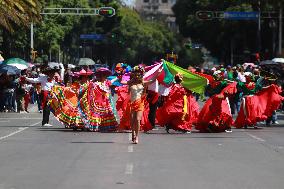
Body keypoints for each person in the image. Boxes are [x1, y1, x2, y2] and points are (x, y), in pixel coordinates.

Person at [121, 66, 162, 144]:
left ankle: (136, 136)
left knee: (138, 119)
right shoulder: (131, 82)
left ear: (141, 75)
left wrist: (158, 73)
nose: (137, 76)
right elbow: (122, 82)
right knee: (132, 120)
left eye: (138, 75)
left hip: (140, 103)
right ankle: (133, 133)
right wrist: (120, 76)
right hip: (132, 103)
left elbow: (152, 80)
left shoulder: (143, 82)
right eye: (135, 74)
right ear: (133, 74)